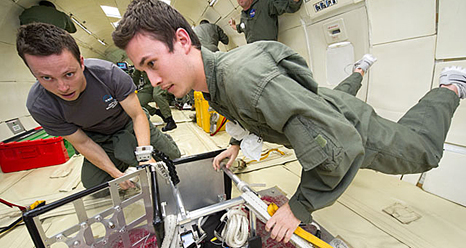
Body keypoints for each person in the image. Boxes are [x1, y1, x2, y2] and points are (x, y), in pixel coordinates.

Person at [112, 0, 464, 244]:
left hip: (350, 128)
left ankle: (450, 86)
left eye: (152, 63)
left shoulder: (245, 80)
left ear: (183, 41)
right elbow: (245, 112)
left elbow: (339, 146)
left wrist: (299, 207)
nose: (153, 81)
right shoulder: (215, 80)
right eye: (143, 70)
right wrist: (235, 146)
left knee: (424, 153)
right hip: (326, 109)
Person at [17, 22, 181, 193]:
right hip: (98, 139)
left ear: (81, 63)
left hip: (129, 124)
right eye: (47, 78)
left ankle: (150, 146)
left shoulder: (109, 75)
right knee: (96, 187)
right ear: (33, 74)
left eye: (69, 74)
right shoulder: (40, 105)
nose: (63, 87)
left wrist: (145, 156)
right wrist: (115, 174)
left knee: (174, 159)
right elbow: (82, 142)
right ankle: (122, 158)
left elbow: (137, 116)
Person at [229, 0, 303, 43]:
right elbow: (241, 27)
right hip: (254, 55)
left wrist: (294, 2)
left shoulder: (264, 3)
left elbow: (288, 5)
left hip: (269, 53)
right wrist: (233, 25)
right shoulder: (243, 16)